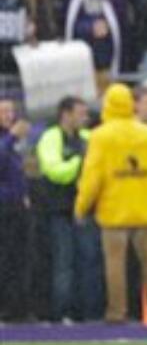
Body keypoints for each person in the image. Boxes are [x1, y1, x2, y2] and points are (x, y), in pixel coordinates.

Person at [74, 83, 147, 324]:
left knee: (115, 265)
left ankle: (117, 313)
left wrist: (81, 206)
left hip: (113, 212)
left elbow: (92, 177)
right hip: (144, 210)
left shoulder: (101, 136)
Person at [36, 96, 100, 323]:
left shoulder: (87, 137)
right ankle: (61, 312)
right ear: (66, 114)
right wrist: (80, 163)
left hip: (85, 209)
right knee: (64, 263)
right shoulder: (51, 137)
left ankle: (87, 311)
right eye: (80, 113)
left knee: (89, 261)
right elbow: (55, 171)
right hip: (59, 210)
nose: (86, 117)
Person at [0, 100, 30, 321]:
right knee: (6, 258)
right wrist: (11, 138)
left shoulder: (13, 143)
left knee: (20, 258)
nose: (10, 116)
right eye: (4, 111)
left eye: (11, 111)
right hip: (3, 206)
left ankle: (18, 308)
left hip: (17, 205)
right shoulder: (7, 141)